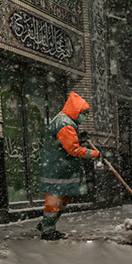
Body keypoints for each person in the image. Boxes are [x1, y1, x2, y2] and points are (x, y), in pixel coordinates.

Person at [37, 92, 100, 240]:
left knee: (63, 198)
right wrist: (94, 154)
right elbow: (73, 149)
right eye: (84, 114)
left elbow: (69, 142)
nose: (85, 117)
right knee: (55, 200)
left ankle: (47, 223)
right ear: (77, 111)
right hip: (57, 169)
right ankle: (47, 230)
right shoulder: (64, 124)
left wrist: (79, 138)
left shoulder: (67, 122)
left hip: (61, 168)